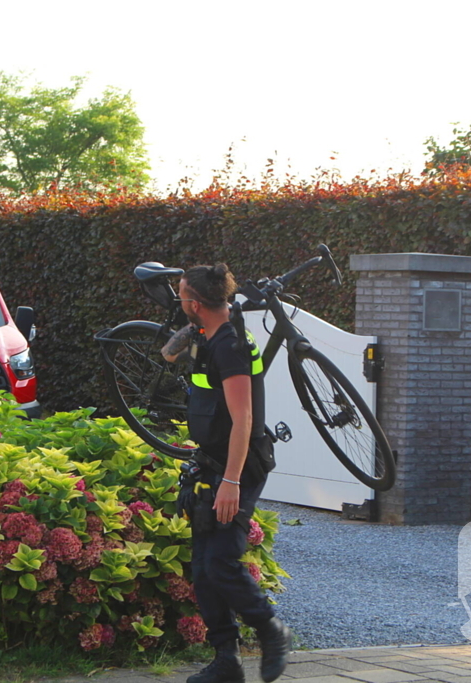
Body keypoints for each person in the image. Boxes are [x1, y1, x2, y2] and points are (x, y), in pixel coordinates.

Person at [162, 263, 291, 683]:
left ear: (196, 303)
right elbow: (167, 353)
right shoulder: (207, 335)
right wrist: (197, 322)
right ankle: (227, 661)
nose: (179, 301)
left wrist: (232, 482)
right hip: (212, 463)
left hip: (239, 466)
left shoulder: (231, 346)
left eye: (183, 296)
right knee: (203, 567)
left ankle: (271, 631)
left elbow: (244, 419)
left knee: (220, 562)